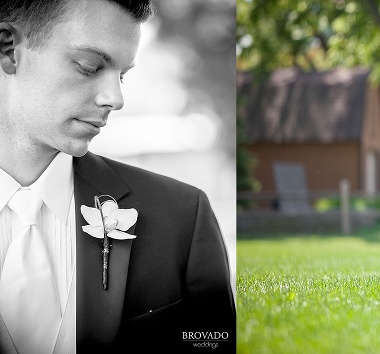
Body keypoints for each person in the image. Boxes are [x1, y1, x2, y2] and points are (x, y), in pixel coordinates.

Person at [0, 0, 235, 352]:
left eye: (122, 75)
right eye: (90, 66)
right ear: (8, 48)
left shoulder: (182, 217)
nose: (116, 98)